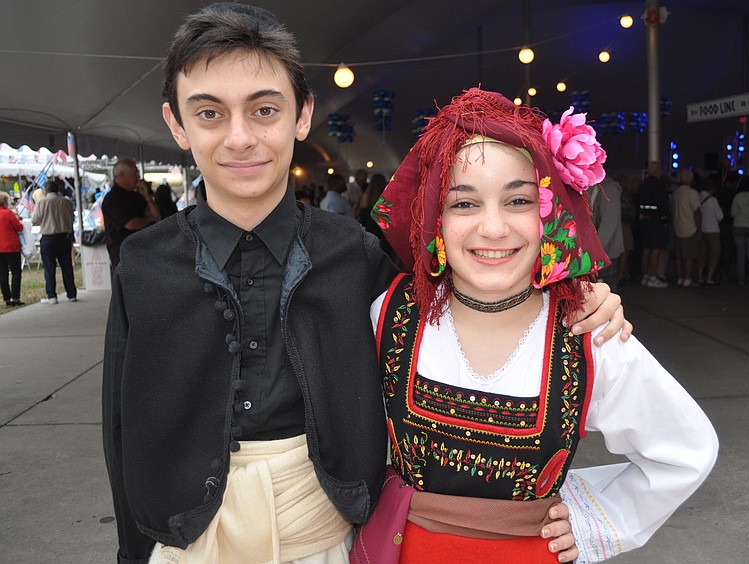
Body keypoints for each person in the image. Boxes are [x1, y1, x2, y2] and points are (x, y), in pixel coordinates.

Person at [102, 6, 630, 564]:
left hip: (327, 540)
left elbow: (469, 292)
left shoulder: (357, 254)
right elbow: (122, 426)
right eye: (209, 113)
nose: (240, 138)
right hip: (184, 545)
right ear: (176, 124)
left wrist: (576, 299)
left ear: (302, 116)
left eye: (264, 110)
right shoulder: (142, 265)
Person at [368, 88, 718, 563]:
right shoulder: (390, 314)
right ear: (433, 218)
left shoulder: (586, 332)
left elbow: (685, 449)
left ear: (552, 213)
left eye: (519, 202)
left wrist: (598, 518)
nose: (493, 228)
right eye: (464, 204)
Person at [101, 157, 161, 270]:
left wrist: (147, 196)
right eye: (135, 173)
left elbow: (157, 216)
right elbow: (131, 224)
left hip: (143, 251)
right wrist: (148, 219)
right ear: (122, 175)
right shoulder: (112, 199)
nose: (138, 176)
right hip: (124, 255)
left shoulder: (136, 195)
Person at [31, 180, 77, 304]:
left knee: (49, 268)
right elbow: (72, 219)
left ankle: (52, 296)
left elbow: (35, 220)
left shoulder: (42, 202)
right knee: (67, 267)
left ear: (46, 191)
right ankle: (71, 294)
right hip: (63, 237)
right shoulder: (66, 202)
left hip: (48, 237)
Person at [637, 161, 670, 288]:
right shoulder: (660, 185)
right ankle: (653, 277)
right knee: (656, 249)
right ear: (657, 171)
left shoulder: (644, 184)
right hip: (656, 221)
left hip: (644, 220)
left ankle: (645, 276)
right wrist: (665, 219)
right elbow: (663, 204)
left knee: (646, 248)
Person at [588, 176, 623, 291]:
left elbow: (609, 224)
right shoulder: (591, 186)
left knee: (602, 299)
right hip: (592, 255)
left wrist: (594, 254)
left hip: (603, 256)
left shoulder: (608, 189)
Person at [671, 169, 702, 287]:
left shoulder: (676, 192)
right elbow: (697, 211)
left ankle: (680, 277)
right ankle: (688, 278)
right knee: (689, 256)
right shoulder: (692, 192)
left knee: (679, 256)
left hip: (678, 226)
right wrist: (698, 228)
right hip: (689, 227)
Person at [0, 191, 25, 307]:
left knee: (2, 274)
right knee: (16, 272)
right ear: (4, 202)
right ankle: (15, 297)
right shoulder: (8, 214)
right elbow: (19, 227)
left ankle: (7, 298)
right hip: (11, 247)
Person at [697, 178, 723, 285]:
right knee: (714, 253)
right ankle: (709, 277)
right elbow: (720, 216)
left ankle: (699, 276)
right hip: (713, 230)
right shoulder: (713, 200)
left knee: (701, 253)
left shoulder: (697, 198)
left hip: (701, 229)